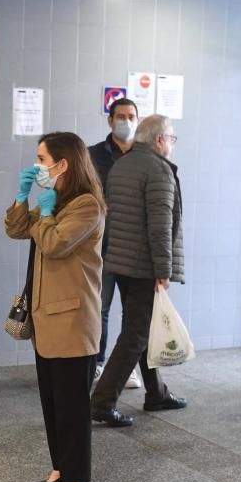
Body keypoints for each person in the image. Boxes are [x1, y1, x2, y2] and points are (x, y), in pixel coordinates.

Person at [5, 132, 104, 482]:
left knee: (72, 403)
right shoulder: (56, 202)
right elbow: (15, 228)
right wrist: (21, 198)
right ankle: (61, 467)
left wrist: (44, 213)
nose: (37, 165)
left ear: (63, 164)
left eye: (42, 159)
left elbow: (54, 244)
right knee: (52, 400)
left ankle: (77, 478)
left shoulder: (86, 206)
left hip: (73, 320)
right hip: (47, 317)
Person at [90, 115, 187, 427]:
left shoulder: (124, 164)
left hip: (120, 260)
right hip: (144, 264)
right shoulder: (158, 170)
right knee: (136, 333)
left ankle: (156, 392)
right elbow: (160, 227)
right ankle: (102, 402)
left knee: (141, 328)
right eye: (172, 137)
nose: (172, 142)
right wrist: (164, 270)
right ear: (159, 140)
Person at [88, 97, 141, 389]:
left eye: (131, 116)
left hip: (134, 249)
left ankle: (124, 368)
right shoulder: (93, 155)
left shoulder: (144, 156)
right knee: (101, 308)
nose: (126, 122)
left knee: (132, 313)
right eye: (120, 116)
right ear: (110, 120)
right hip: (104, 248)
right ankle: (97, 363)